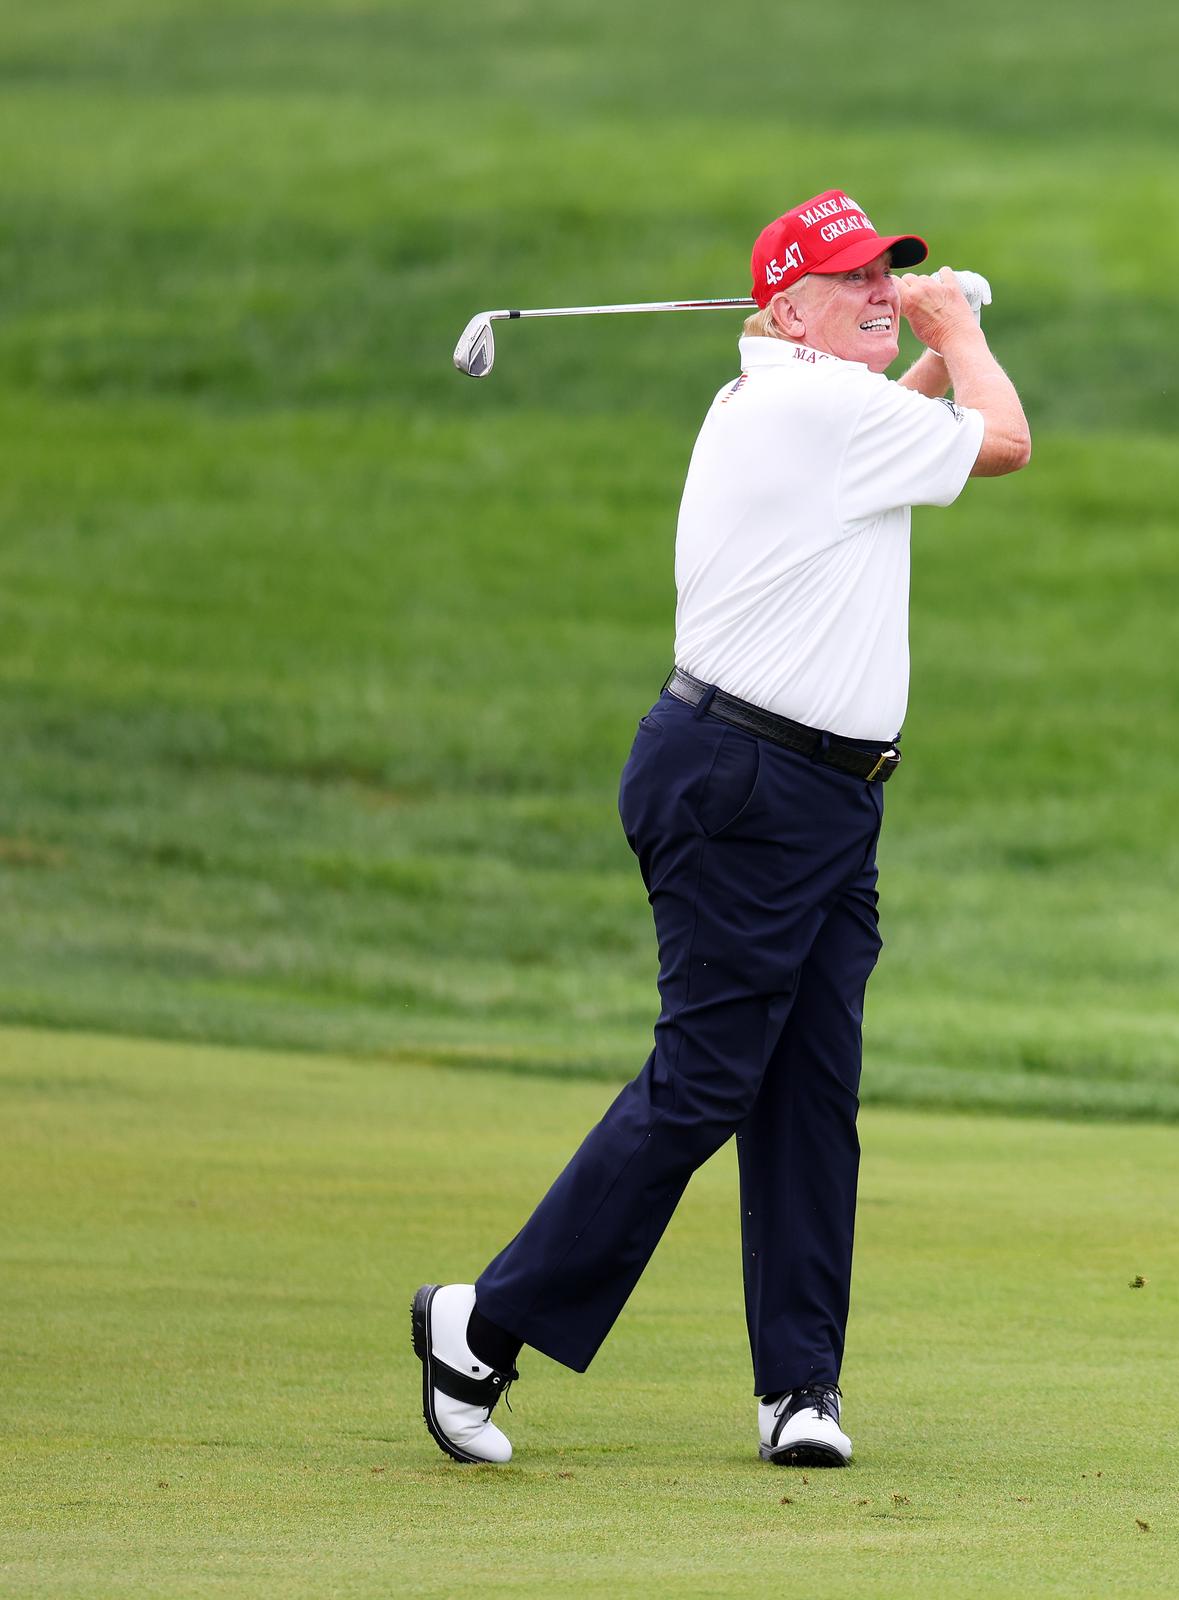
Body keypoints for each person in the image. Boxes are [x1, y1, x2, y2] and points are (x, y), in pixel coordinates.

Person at [410, 188, 1031, 1469]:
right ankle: (480, 1322)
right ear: (784, 310)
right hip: (748, 786)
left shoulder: (805, 406)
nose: (879, 290)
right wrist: (956, 326)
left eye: (889, 273)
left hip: (813, 796)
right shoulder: (811, 404)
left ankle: (800, 1389)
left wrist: (931, 341)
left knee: (809, 1088)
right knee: (705, 1081)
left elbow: (921, 424)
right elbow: (1002, 440)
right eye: (853, 279)